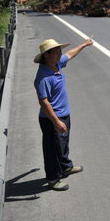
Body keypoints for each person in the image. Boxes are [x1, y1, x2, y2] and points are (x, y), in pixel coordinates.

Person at [34, 36, 94, 191]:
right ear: (46, 55)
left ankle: (66, 167)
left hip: (63, 114)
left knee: (62, 144)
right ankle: (53, 179)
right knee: (52, 149)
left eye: (60, 50)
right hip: (51, 119)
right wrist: (56, 121)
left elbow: (71, 54)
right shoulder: (43, 76)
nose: (60, 54)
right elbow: (44, 102)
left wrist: (84, 44)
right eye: (56, 52)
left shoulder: (57, 64)